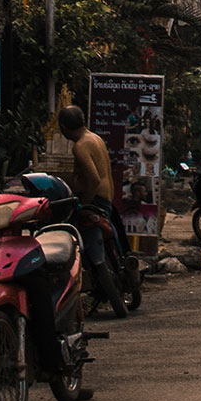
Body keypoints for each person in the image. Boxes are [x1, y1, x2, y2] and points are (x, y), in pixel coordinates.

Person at [58, 105, 127, 318]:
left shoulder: (80, 146)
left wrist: (83, 204)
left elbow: (94, 179)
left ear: (63, 127)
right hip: (107, 201)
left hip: (95, 201)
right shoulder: (95, 138)